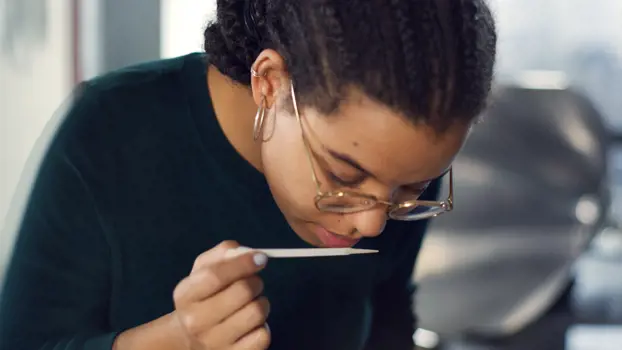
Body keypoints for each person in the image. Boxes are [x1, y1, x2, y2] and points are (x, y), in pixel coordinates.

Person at [0, 0, 497, 349]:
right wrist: (178, 342)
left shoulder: (392, 172)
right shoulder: (109, 131)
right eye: (343, 175)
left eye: (412, 188)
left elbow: (386, 314)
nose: (372, 224)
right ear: (269, 84)